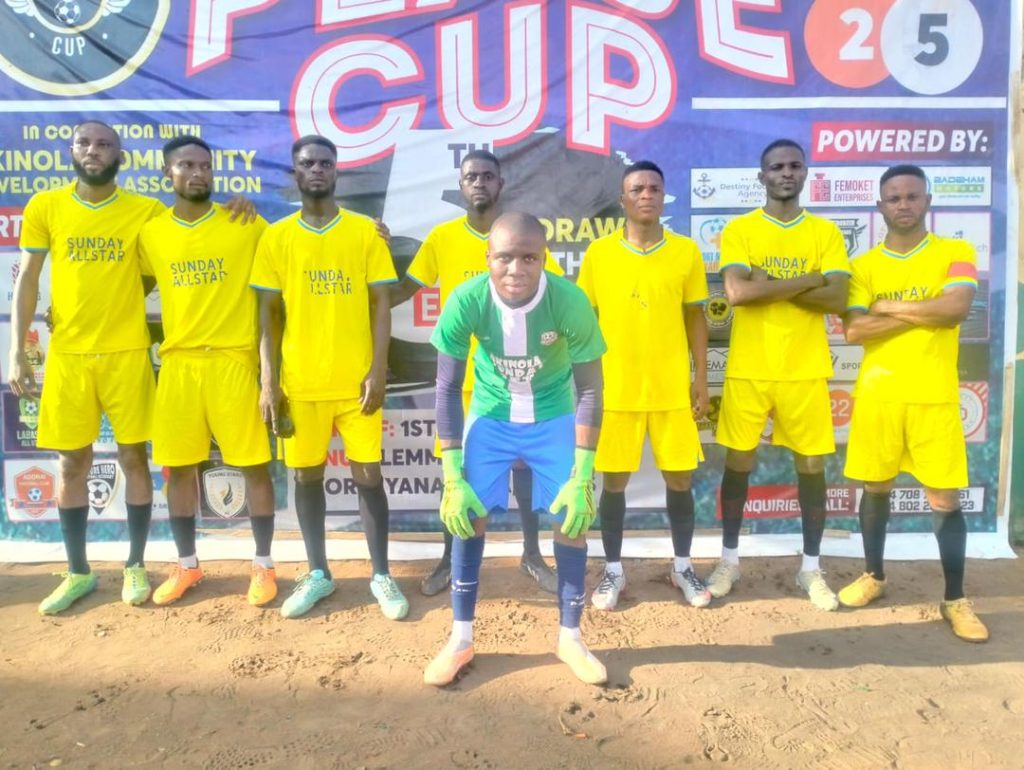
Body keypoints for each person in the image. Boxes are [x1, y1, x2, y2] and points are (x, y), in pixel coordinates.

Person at [10, 120, 253, 615]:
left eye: (104, 144)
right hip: (69, 357)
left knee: (134, 459)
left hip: (128, 353)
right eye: (84, 143)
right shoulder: (46, 207)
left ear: (121, 155)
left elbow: (185, 238)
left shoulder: (144, 213)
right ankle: (78, 572)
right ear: (71, 150)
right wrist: (18, 348)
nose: (94, 151)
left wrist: (240, 208)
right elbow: (28, 278)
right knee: (71, 463)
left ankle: (135, 564)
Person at [423, 212, 607, 687]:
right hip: (491, 417)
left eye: (529, 257)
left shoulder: (569, 301)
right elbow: (446, 388)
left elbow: (590, 389)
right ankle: (461, 638)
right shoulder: (466, 300)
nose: (516, 268)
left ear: (544, 258)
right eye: (504, 257)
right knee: (468, 515)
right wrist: (452, 477)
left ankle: (571, 637)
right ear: (487, 258)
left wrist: (582, 476)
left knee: (573, 518)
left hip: (552, 417)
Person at [389, 150, 562, 596]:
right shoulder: (442, 239)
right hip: (460, 386)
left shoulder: (522, 241)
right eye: (471, 176)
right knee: (457, 475)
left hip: (520, 382)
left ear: (500, 183)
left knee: (524, 468)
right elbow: (401, 290)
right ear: (461, 186)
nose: (480, 183)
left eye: (488, 175)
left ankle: (531, 554)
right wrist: (366, 251)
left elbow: (556, 297)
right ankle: (450, 559)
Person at [251, 135, 408, 620]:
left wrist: (378, 370)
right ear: (295, 174)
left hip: (356, 383)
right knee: (305, 477)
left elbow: (382, 302)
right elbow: (267, 314)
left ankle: (381, 575)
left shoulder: (364, 232)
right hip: (301, 384)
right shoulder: (276, 237)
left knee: (368, 476)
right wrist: (268, 381)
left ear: (337, 171)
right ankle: (318, 572)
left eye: (325, 163)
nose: (316, 170)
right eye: (307, 163)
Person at [839, 164, 988, 642]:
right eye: (893, 198)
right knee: (875, 489)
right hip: (879, 395)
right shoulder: (863, 267)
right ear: (880, 206)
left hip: (934, 397)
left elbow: (957, 308)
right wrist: (927, 311)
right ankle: (874, 577)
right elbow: (856, 329)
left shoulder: (956, 251)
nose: (903, 204)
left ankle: (956, 599)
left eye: (911, 196)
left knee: (945, 500)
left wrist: (889, 307)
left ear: (927, 201)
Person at [704, 139, 850, 611]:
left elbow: (838, 299)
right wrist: (809, 279)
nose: (786, 173)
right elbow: (738, 293)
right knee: (738, 464)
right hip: (750, 368)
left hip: (805, 369)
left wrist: (772, 284)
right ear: (761, 176)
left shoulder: (825, 232)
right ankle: (729, 560)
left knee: (811, 467)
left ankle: (810, 569)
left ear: (805, 172)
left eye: (794, 166)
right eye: (776, 167)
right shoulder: (741, 229)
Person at [138, 135, 277, 607]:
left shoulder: (244, 222)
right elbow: (119, 286)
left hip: (233, 361)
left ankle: (263, 568)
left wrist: (374, 232)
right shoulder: (152, 233)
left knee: (254, 468)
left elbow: (296, 245)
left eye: (204, 166)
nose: (198, 173)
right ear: (167, 175)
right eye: (186, 166)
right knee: (179, 471)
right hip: (178, 366)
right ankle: (187, 567)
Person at [577, 160, 711, 610]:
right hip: (616, 391)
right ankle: (613, 571)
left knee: (681, 480)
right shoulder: (599, 254)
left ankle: (682, 567)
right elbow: (583, 321)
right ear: (623, 199)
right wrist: (584, 384)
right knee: (613, 483)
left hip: (672, 388)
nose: (646, 194)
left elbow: (696, 315)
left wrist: (701, 377)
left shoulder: (686, 251)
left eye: (654, 187)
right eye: (637, 188)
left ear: (664, 195)